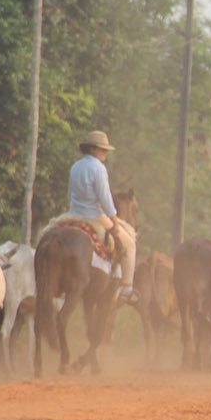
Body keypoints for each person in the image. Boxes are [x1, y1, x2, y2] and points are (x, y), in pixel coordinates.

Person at [43, 130, 139, 305]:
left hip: (73, 213)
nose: (106, 153)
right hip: (94, 216)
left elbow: (70, 192)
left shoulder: (75, 166)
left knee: (46, 232)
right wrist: (115, 221)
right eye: (103, 149)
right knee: (130, 244)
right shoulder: (98, 168)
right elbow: (104, 197)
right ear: (94, 149)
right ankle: (127, 288)